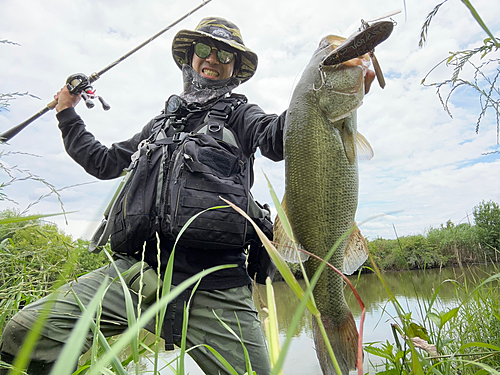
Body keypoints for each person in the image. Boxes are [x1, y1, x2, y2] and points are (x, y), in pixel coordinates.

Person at [0, 16, 375, 375]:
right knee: (23, 334)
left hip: (216, 286)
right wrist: (67, 114)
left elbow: (281, 136)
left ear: (235, 68)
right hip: (138, 275)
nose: (213, 59)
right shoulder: (160, 125)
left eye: (225, 55)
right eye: (204, 48)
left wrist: (338, 92)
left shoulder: (241, 115)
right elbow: (104, 162)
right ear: (190, 57)